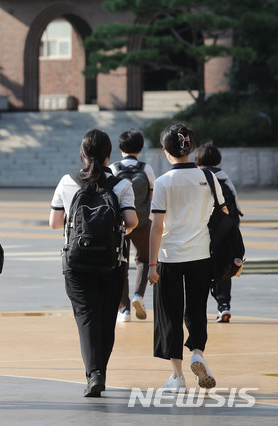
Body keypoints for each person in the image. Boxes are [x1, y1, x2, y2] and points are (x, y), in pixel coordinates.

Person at [49, 129, 138, 397]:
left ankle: (94, 374)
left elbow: (54, 223)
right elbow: (132, 221)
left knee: (87, 317)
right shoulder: (122, 185)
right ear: (109, 156)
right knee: (106, 318)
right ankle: (100, 371)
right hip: (113, 261)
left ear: (82, 155)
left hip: (76, 262)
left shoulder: (67, 181)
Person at [148, 123, 227, 393]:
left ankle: (177, 376)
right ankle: (197, 353)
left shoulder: (163, 182)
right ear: (190, 148)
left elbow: (156, 227)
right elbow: (223, 214)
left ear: (165, 150)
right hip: (201, 254)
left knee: (169, 315)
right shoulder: (209, 177)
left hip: (169, 256)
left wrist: (151, 264)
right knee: (196, 309)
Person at [109, 129, 156, 322]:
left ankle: (124, 310)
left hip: (119, 224)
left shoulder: (113, 168)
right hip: (142, 222)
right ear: (140, 148)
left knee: (120, 263)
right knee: (144, 259)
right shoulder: (146, 169)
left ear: (120, 148)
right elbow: (152, 195)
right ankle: (139, 295)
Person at [194, 141, 242, 323]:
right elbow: (235, 208)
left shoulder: (198, 177)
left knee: (200, 270)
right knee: (223, 268)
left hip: (203, 232)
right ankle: (224, 307)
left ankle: (197, 309)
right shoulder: (224, 179)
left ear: (198, 160)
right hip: (225, 233)